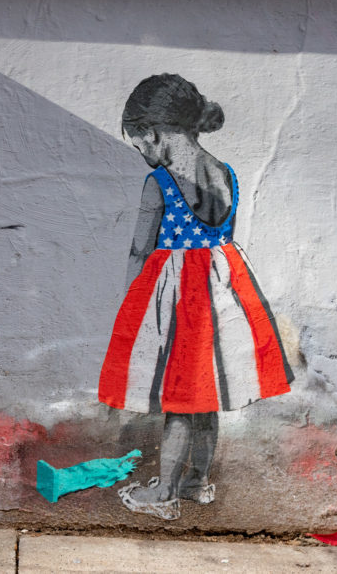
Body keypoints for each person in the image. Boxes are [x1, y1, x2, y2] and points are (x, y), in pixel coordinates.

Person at [97, 73, 293, 520]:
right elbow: (223, 240)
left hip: (179, 303)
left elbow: (140, 251)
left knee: (180, 402)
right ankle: (195, 481)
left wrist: (133, 312)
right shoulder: (227, 175)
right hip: (223, 296)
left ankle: (163, 492)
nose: (142, 153)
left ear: (154, 134)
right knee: (207, 398)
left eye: (138, 143)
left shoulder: (160, 184)